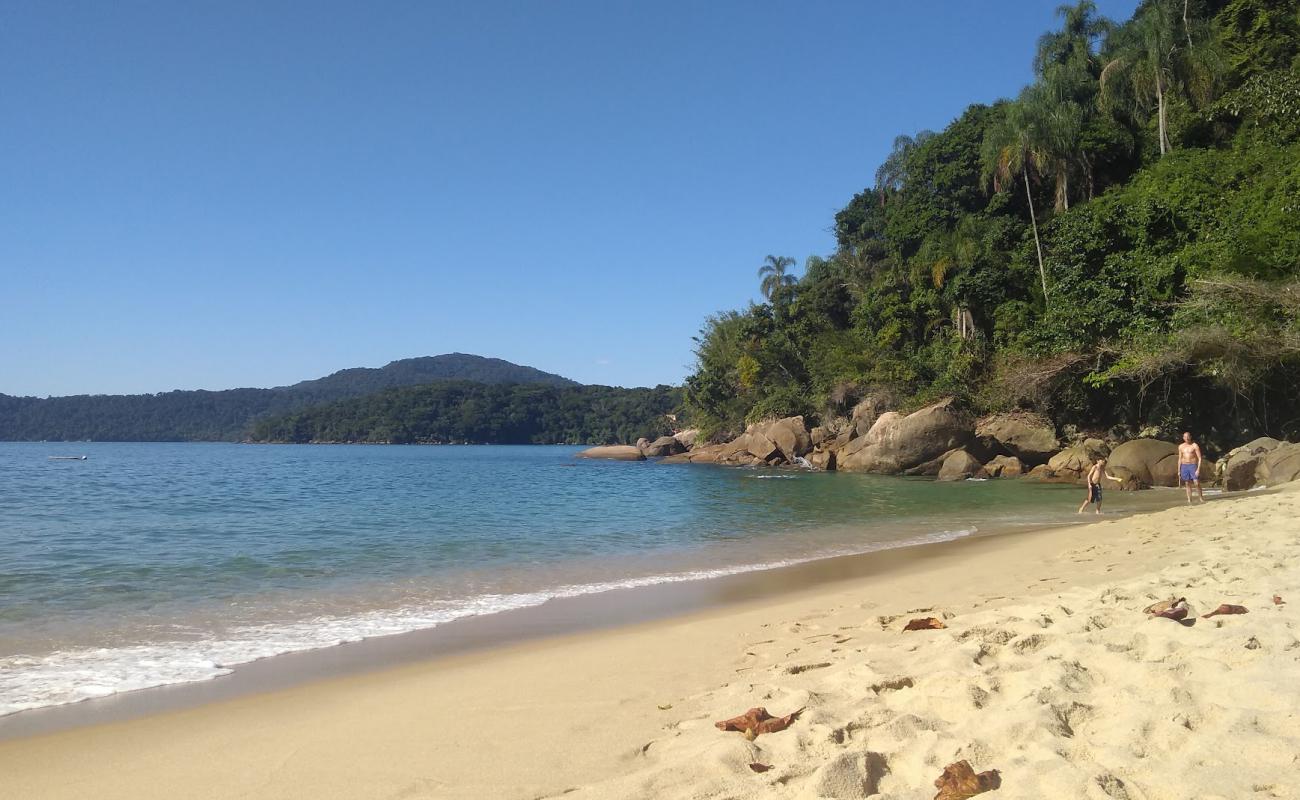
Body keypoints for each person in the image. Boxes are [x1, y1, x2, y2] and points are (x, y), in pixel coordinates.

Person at [1178, 431, 1204, 504]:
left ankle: (1201, 498)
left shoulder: (1194, 445)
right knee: (1187, 483)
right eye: (1185, 437)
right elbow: (1180, 459)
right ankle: (1189, 500)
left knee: (1196, 483)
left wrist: (1198, 469)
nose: (1187, 438)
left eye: (1188, 436)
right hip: (1184, 466)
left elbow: (1200, 458)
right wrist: (1179, 470)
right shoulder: (1181, 446)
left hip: (1193, 465)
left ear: (1190, 437)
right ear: (1183, 438)